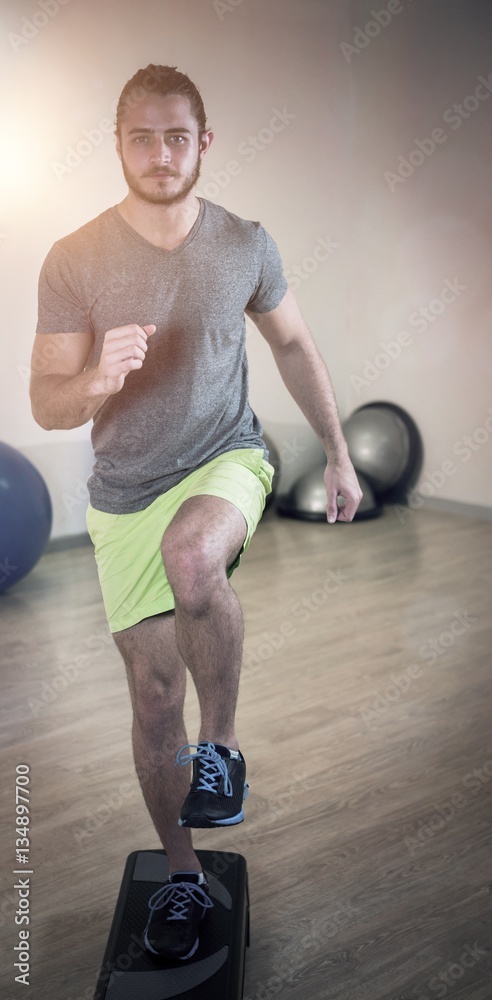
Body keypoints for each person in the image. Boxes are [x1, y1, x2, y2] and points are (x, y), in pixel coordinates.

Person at [30, 64, 362, 962]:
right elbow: (46, 401)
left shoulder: (246, 243)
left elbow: (292, 343)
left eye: (178, 135)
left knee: (193, 559)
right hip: (125, 488)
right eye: (142, 135)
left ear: (204, 142)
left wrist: (336, 450)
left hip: (228, 455)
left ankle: (222, 749)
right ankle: (182, 878)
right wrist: (96, 377)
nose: (161, 152)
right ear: (119, 144)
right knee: (149, 695)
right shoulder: (74, 257)